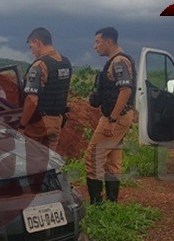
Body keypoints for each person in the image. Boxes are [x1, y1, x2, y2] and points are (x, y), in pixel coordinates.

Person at [84, 26, 136, 204]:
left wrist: (112, 119)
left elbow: (125, 90)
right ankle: (112, 202)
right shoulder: (118, 61)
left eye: (97, 41)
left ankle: (96, 204)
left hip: (115, 117)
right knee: (112, 161)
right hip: (121, 116)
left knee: (93, 156)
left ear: (108, 41)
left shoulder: (119, 61)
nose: (95, 46)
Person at [17, 27, 72, 150]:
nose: (32, 51)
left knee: (30, 162)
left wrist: (22, 125)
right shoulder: (65, 62)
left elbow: (32, 99)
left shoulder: (40, 65)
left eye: (31, 47)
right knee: (49, 162)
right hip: (57, 121)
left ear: (37, 42)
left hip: (39, 123)